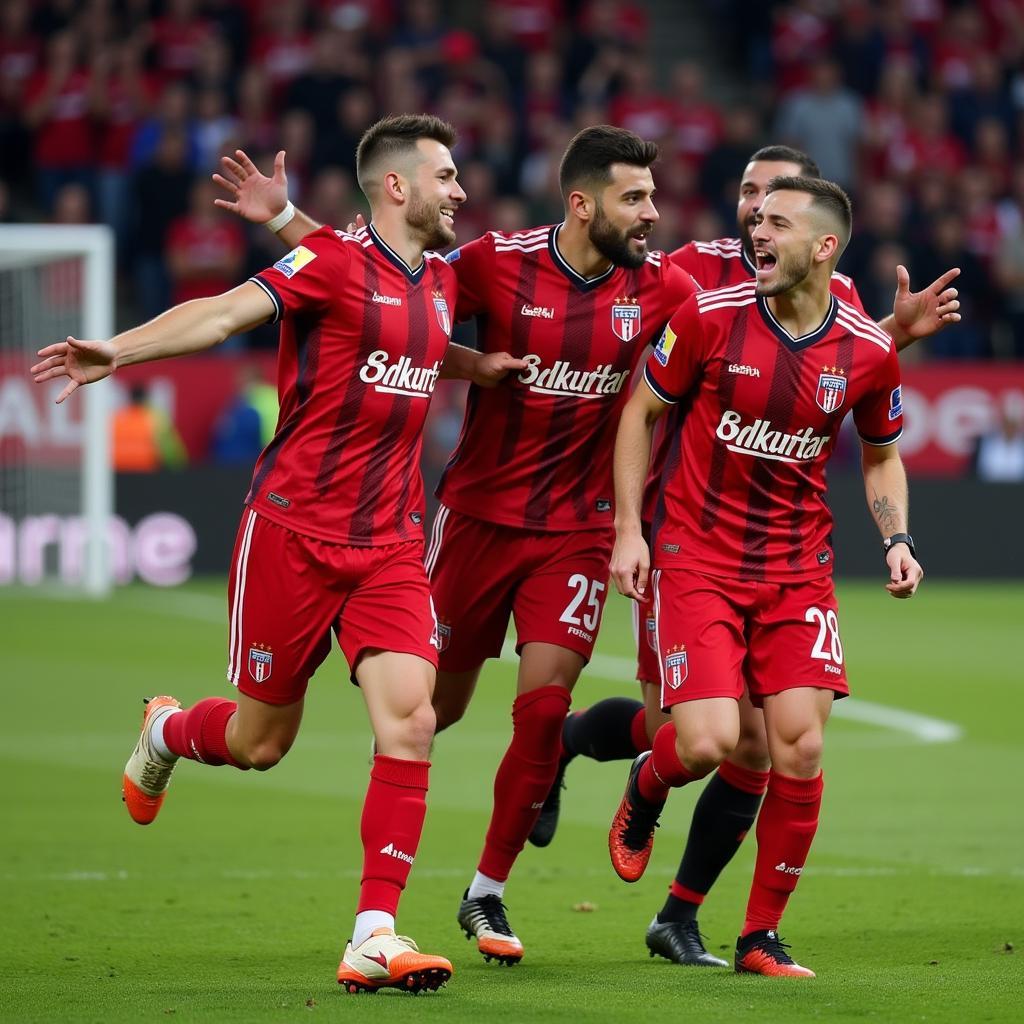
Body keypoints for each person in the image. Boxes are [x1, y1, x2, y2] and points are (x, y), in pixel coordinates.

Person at [32, 114, 524, 995]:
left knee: (411, 721)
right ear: (398, 187)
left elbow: (412, 339)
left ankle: (374, 932)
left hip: (390, 541)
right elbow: (224, 313)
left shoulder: (444, 278)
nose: (461, 191)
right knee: (263, 743)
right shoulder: (330, 263)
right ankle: (166, 731)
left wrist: (473, 368)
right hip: (293, 530)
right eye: (446, 176)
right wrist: (119, 348)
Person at [213, 125, 699, 965]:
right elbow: (381, 275)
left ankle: (486, 893)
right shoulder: (497, 263)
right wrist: (286, 218)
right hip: (472, 518)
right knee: (439, 709)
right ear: (583, 204)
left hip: (576, 531)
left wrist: (884, 334)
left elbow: (758, 328)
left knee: (543, 706)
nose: (653, 214)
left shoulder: (663, 289)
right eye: (636, 198)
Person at [537, 144, 960, 969]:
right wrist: (630, 530)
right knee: (701, 741)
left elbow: (880, 453)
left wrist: (898, 539)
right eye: (753, 213)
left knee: (790, 747)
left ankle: (755, 932)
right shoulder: (707, 311)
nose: (755, 229)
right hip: (695, 556)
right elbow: (640, 413)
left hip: (798, 569)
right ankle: (643, 785)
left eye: (775, 219)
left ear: (825, 246)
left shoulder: (866, 348)